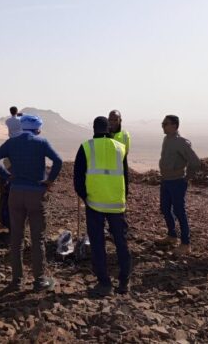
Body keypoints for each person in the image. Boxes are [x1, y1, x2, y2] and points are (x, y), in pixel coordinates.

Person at [0, 114, 63, 292]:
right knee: (38, 238)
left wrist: (7, 176)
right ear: (37, 128)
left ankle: (17, 280)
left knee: (16, 237)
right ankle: (39, 280)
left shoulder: (12, 142)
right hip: (36, 194)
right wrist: (49, 180)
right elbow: (58, 161)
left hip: (15, 193)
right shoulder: (41, 142)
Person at [74, 116, 131, 296]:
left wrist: (85, 197)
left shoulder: (86, 147)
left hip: (94, 203)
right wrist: (123, 197)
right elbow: (126, 177)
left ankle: (104, 283)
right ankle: (124, 281)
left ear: (93, 128)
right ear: (108, 129)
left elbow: (78, 177)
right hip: (116, 203)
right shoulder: (120, 147)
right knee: (121, 242)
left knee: (98, 244)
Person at [157, 115, 201, 255]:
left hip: (177, 181)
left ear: (175, 125)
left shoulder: (181, 142)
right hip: (165, 181)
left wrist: (187, 177)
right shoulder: (167, 139)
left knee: (179, 211)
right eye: (163, 123)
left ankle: (185, 243)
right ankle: (172, 236)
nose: (163, 126)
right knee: (165, 208)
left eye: (166, 124)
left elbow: (195, 162)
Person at [108, 109, 131, 189]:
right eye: (111, 120)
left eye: (115, 120)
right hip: (105, 172)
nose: (112, 122)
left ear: (120, 120)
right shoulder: (104, 134)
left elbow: (125, 154)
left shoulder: (125, 135)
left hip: (119, 172)